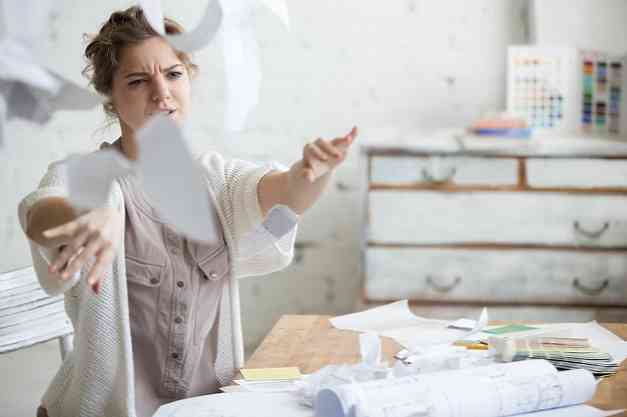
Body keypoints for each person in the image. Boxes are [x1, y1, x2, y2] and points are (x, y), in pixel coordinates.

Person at [18, 6, 357, 417]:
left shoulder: (217, 180)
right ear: (110, 96)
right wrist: (82, 217)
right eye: (138, 81)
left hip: (205, 408)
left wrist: (312, 173)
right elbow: (39, 212)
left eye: (173, 74)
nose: (162, 93)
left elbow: (285, 192)